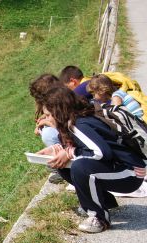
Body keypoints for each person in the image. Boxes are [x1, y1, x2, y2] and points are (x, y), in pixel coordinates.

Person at [36, 86, 146, 233]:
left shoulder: (78, 124)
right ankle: (103, 202)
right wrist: (57, 150)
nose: (47, 119)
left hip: (131, 173)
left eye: (48, 115)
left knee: (80, 167)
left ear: (59, 112)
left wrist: (69, 153)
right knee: (63, 165)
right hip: (121, 169)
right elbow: (85, 148)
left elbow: (101, 153)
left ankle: (99, 218)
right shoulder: (74, 121)